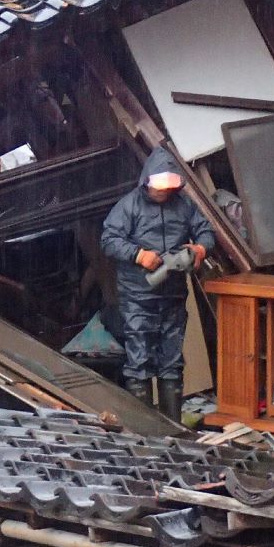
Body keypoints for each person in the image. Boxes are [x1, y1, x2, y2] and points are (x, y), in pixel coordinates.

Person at [100, 147, 214, 421]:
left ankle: (171, 427)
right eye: (159, 187)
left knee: (171, 363)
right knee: (138, 362)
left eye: (169, 186)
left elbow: (205, 231)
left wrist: (199, 250)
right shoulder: (129, 206)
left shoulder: (184, 204)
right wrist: (138, 255)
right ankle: (143, 428)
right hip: (137, 296)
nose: (164, 192)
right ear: (147, 181)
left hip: (173, 296)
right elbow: (108, 240)